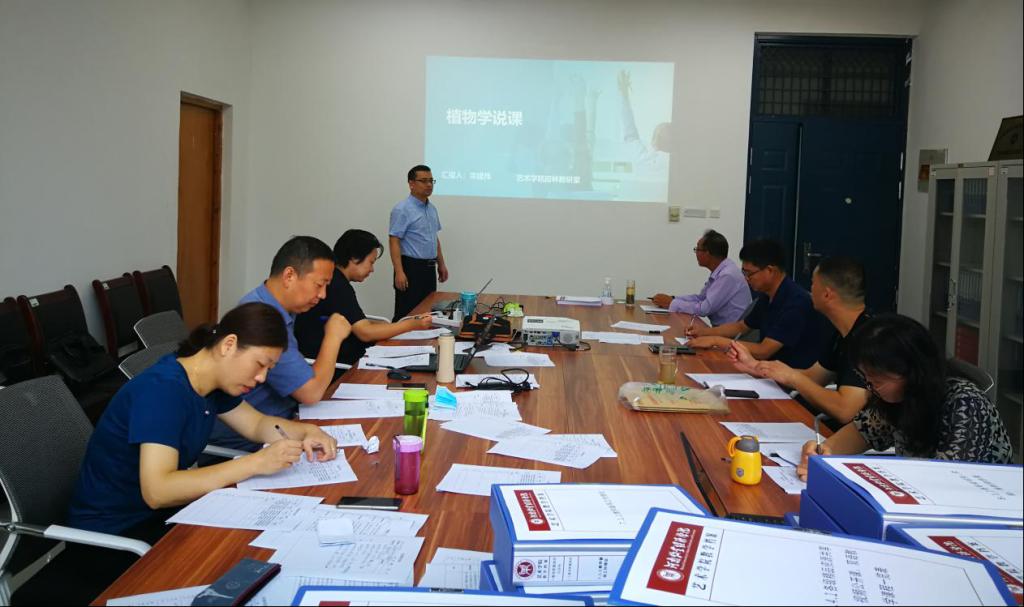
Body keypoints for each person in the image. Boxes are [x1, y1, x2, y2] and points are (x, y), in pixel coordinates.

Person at [55, 303, 339, 603]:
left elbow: (257, 425)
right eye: (260, 364)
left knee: (257, 554)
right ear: (228, 345)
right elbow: (158, 491)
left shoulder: (209, 382)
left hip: (161, 518)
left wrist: (307, 431)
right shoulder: (163, 391)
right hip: (113, 537)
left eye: (269, 369)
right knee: (238, 566)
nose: (261, 378)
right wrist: (255, 463)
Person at [796, 314, 1013, 480]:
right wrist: (820, 453)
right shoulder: (899, 399)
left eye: (877, 381)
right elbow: (859, 434)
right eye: (867, 380)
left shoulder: (966, 405)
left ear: (911, 373)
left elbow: (948, 480)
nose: (871, 389)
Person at [208, 236, 351, 452]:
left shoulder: (277, 308)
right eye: (319, 285)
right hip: (248, 439)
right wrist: (333, 337)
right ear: (289, 275)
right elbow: (310, 393)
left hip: (276, 422)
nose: (322, 295)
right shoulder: (261, 319)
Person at [730, 257, 871, 424]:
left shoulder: (868, 340)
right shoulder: (841, 333)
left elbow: (845, 409)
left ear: (827, 294)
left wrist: (793, 378)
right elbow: (814, 377)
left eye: (813, 284)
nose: (810, 290)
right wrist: (755, 366)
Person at [295, 229, 433, 365]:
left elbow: (356, 321)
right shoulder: (337, 285)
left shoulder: (337, 280)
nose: (372, 269)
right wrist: (411, 324)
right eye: (371, 262)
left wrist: (391, 326)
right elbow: (365, 332)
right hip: (339, 364)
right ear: (354, 258)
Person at [687, 239, 827, 369]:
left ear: (770, 271)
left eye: (749, 274)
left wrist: (715, 341)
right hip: (767, 371)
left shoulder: (796, 303)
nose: (746, 279)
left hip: (791, 377)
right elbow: (741, 326)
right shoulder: (767, 295)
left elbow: (763, 351)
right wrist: (703, 332)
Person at [651, 229, 751, 326]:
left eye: (697, 249)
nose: (696, 253)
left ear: (707, 253)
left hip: (731, 333)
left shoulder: (727, 275)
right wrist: (673, 299)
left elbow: (704, 309)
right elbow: (701, 298)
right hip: (722, 329)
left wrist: (672, 303)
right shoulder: (721, 270)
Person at [390, 165, 448, 321]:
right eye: (423, 181)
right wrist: (399, 271)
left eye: (431, 181)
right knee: (406, 313)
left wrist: (441, 264)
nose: (429, 185)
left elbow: (434, 238)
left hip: (429, 269)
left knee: (426, 312)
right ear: (411, 183)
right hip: (410, 268)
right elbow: (394, 240)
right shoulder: (402, 209)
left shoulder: (432, 209)